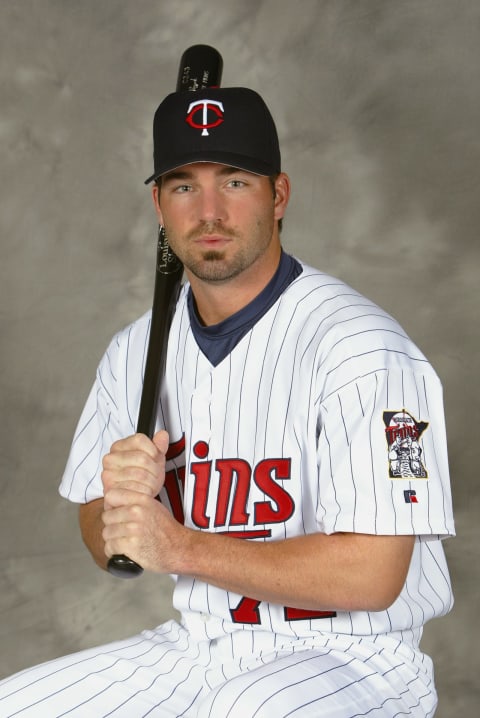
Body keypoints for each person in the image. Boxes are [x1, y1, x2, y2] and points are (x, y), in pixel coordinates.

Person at [0, 86, 454, 717]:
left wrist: (179, 546)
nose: (208, 210)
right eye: (185, 185)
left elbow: (373, 575)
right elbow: (109, 541)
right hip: (198, 647)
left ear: (279, 194)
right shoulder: (134, 352)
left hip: (356, 660)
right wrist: (124, 506)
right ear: (159, 204)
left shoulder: (361, 347)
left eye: (235, 181)